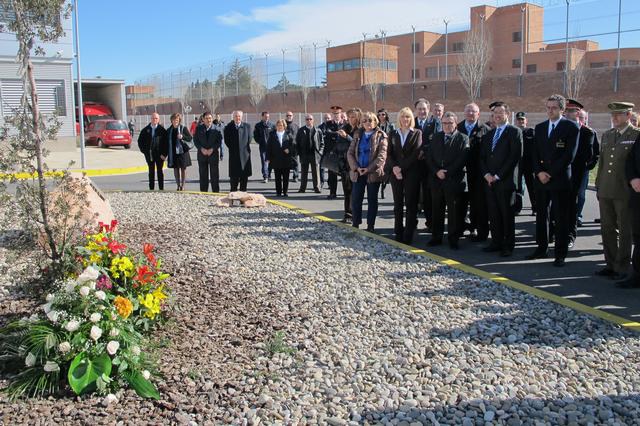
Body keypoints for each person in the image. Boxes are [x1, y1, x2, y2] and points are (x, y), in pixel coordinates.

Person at [526, 94, 579, 267]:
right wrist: (539, 172)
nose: (550, 111)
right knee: (542, 216)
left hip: (560, 178)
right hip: (541, 179)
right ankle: (541, 248)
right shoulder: (540, 127)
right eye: (548, 108)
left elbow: (569, 155)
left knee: (561, 217)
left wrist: (550, 173)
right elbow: (535, 153)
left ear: (562, 109)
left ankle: (560, 253)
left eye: (554, 108)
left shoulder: (570, 127)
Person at [594, 102, 640, 280]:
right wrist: (598, 185)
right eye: (612, 115)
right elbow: (603, 163)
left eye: (618, 114)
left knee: (624, 229)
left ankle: (622, 266)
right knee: (607, 228)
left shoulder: (635, 135)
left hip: (624, 189)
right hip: (606, 188)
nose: (614, 118)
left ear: (628, 115)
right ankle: (610, 264)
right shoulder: (608, 135)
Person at [480, 102, 523, 257]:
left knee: (506, 215)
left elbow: (514, 157)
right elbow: (482, 157)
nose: (497, 115)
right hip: (489, 182)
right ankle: (496, 242)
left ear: (507, 114)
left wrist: (497, 176)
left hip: (505, 181)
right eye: (495, 113)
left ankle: (508, 245)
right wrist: (486, 175)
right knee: (494, 214)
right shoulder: (489, 134)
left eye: (500, 112)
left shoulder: (514, 132)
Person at [427, 111, 470, 249]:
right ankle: (436, 237)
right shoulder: (436, 137)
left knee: (454, 212)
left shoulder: (463, 138)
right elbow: (429, 157)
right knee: (437, 210)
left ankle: (453, 239)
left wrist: (447, 172)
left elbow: (462, 159)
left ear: (455, 123)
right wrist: (437, 171)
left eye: (450, 123)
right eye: (444, 123)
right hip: (437, 180)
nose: (447, 125)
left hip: (453, 180)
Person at [385, 107, 422, 244]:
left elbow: (415, 153)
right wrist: (395, 168)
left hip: (411, 173)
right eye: (402, 116)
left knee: (411, 204)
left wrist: (401, 168)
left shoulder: (417, 133)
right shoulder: (393, 133)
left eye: (407, 117)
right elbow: (389, 153)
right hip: (395, 174)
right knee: (398, 204)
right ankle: (398, 231)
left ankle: (408, 233)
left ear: (411, 118)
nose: (405, 119)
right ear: (399, 118)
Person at [347, 111, 388, 232]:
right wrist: (356, 167)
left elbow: (382, 156)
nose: (367, 123)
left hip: (373, 173)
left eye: (370, 120)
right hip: (358, 172)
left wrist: (368, 169)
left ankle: (370, 226)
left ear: (375, 122)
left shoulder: (381, 135)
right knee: (356, 199)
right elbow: (350, 153)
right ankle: (356, 223)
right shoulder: (357, 134)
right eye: (364, 121)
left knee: (372, 200)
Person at [564, 99, 596, 248]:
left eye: (571, 111)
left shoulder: (587, 132)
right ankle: (555, 233)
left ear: (578, 113)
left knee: (572, 206)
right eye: (566, 111)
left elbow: (590, 155)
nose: (567, 114)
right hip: (559, 175)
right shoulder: (560, 129)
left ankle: (570, 235)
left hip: (577, 175)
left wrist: (585, 169)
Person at [457, 103, 491, 241]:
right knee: (460, 202)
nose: (470, 113)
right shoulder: (457, 127)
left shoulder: (485, 129)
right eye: (468, 111)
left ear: (478, 114)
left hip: (478, 173)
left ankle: (477, 229)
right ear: (464, 112)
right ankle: (460, 227)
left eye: (474, 111)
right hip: (460, 172)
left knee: (478, 203)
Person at [618, 131, 640, 288]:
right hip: (638, 192)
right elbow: (631, 159)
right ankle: (637, 275)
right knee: (638, 236)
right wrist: (633, 178)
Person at [414, 99, 438, 232]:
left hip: (429, 165)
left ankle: (430, 223)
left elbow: (436, 141)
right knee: (413, 195)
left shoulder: (435, 123)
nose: (422, 111)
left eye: (424, 109)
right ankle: (412, 222)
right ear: (415, 110)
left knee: (429, 196)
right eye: (419, 109)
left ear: (428, 110)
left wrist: (424, 150)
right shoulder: (411, 122)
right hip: (414, 164)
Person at [335, 108, 360, 222]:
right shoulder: (344, 128)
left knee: (356, 192)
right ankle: (348, 215)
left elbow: (358, 146)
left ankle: (356, 216)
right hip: (345, 164)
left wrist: (347, 137)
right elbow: (339, 146)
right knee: (347, 191)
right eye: (349, 117)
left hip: (357, 165)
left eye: (353, 117)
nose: (350, 119)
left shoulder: (361, 130)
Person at [576, 109, 600, 226]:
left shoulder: (590, 132)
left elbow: (596, 152)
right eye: (578, 117)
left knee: (581, 194)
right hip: (568, 168)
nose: (579, 119)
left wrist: (590, 165)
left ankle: (577, 216)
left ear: (585, 119)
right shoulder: (568, 130)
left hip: (583, 169)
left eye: (581, 117)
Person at [194, 111, 223, 192]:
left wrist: (212, 149)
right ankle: (203, 192)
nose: (208, 120)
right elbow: (195, 140)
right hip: (202, 155)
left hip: (213, 155)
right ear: (203, 119)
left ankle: (215, 192)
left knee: (214, 175)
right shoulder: (198, 128)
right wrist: (201, 149)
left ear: (212, 119)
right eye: (206, 118)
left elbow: (219, 141)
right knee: (203, 175)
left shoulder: (217, 129)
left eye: (210, 118)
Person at [224, 110, 252, 192]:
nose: (237, 118)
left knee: (244, 179)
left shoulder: (247, 127)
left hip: (244, 156)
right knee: (234, 180)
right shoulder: (228, 127)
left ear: (241, 117)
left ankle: (242, 196)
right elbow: (227, 141)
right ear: (233, 117)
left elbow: (249, 139)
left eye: (239, 116)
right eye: (236, 116)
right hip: (234, 155)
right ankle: (233, 196)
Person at [138, 113, 167, 190]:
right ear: (151, 119)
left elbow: (166, 143)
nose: (154, 120)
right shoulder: (145, 130)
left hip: (160, 155)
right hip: (150, 154)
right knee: (151, 171)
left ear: (158, 119)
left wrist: (164, 154)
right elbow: (140, 142)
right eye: (153, 118)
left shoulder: (162, 130)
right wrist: (145, 152)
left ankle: (161, 188)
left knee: (160, 171)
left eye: (156, 118)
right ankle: (151, 189)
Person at [266, 119, 295, 197]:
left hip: (286, 159)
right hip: (276, 159)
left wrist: (289, 150)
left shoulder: (288, 134)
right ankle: (278, 192)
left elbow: (293, 145)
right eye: (278, 125)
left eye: (281, 125)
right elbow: (268, 147)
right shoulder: (272, 135)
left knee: (286, 177)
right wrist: (268, 158)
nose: (279, 127)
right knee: (277, 177)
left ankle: (285, 191)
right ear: (276, 126)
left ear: (284, 126)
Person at [514, 112, 536, 215]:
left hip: (529, 164)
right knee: (517, 187)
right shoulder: (513, 132)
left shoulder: (531, 132)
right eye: (519, 119)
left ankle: (535, 208)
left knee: (532, 187)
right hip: (517, 164)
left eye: (522, 119)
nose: (520, 121)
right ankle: (517, 208)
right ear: (516, 121)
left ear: (526, 121)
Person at [295, 114, 323, 193]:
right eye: (307, 119)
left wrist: (320, 152)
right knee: (304, 173)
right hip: (304, 154)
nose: (309, 121)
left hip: (315, 154)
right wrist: (299, 153)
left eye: (310, 119)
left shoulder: (318, 130)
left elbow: (322, 143)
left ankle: (317, 188)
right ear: (305, 121)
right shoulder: (301, 130)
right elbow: (297, 142)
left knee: (316, 172)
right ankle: (302, 188)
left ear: (313, 120)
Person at [321, 106, 344, 199]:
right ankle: (333, 193)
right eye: (334, 113)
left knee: (344, 174)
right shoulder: (328, 124)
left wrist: (333, 133)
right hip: (332, 153)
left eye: (337, 113)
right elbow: (327, 133)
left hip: (342, 153)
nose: (335, 115)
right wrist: (337, 133)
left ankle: (346, 193)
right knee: (332, 174)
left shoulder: (345, 123)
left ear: (340, 114)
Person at [166, 112, 193, 191]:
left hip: (183, 152)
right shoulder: (169, 130)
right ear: (171, 120)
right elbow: (166, 142)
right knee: (175, 169)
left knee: (183, 169)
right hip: (173, 153)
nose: (175, 121)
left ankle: (183, 185)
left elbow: (190, 138)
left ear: (179, 120)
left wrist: (182, 136)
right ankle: (178, 185)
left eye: (177, 120)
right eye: (174, 119)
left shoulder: (183, 128)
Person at [377, 108, 395, 199]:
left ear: (386, 115)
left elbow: (394, 137)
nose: (381, 116)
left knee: (387, 170)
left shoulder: (391, 125)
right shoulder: (376, 125)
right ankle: (380, 188)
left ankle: (384, 185)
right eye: (379, 115)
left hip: (388, 148)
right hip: (378, 149)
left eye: (383, 114)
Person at [253, 111, 274, 183]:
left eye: (268, 117)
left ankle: (268, 174)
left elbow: (274, 135)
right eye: (265, 116)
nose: (267, 118)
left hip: (271, 147)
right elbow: (255, 136)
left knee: (271, 162)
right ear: (262, 117)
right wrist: (260, 141)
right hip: (263, 147)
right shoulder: (258, 125)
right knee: (264, 161)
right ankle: (265, 176)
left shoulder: (272, 125)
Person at [318, 113, 333, 188]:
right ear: (323, 119)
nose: (327, 119)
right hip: (323, 150)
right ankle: (321, 182)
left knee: (331, 168)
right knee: (322, 167)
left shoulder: (333, 126)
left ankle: (330, 183)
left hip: (331, 150)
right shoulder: (320, 127)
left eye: (328, 118)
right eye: (325, 118)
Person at [285, 112, 300, 182]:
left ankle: (295, 176)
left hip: (294, 147)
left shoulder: (296, 126)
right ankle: (285, 176)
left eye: (290, 115)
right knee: (285, 163)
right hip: (285, 147)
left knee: (295, 163)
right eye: (287, 115)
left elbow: (299, 137)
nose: (289, 116)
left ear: (292, 116)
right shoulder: (283, 125)